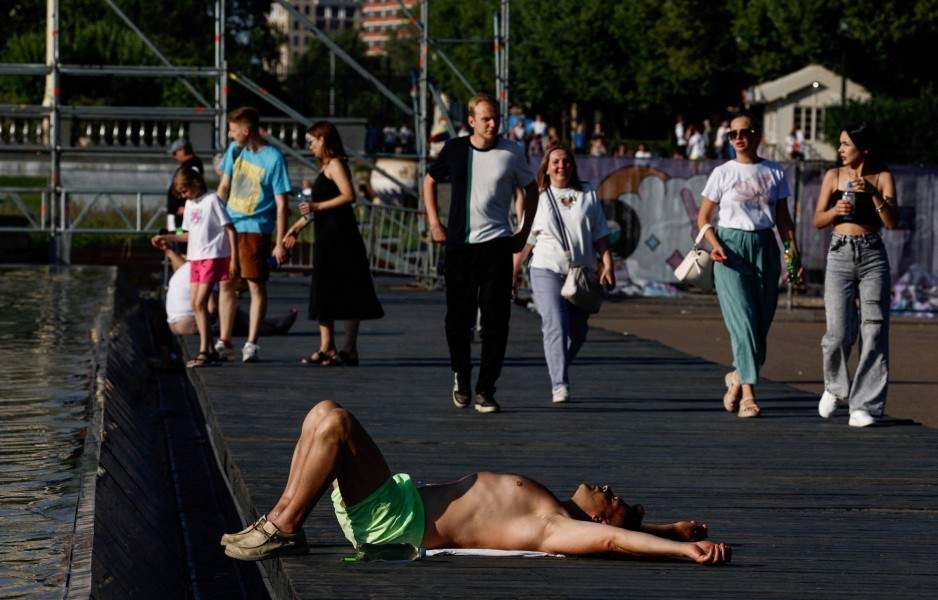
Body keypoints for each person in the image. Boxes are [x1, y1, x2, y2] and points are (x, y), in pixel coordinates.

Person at [220, 400, 732, 565]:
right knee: (321, 413)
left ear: (596, 517)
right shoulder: (551, 507)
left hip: (395, 522)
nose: (604, 485)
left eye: (611, 497)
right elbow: (623, 527)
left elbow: (617, 538)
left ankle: (282, 526)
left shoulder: (551, 526)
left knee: (336, 424)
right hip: (397, 503)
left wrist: (682, 553)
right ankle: (281, 520)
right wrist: (671, 530)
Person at [423, 93, 539, 413]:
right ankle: (461, 374)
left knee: (496, 321)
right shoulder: (455, 149)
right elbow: (429, 181)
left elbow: (532, 189)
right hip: (460, 246)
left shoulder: (512, 152)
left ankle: (486, 390)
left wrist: (523, 232)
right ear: (471, 121)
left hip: (498, 246)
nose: (492, 123)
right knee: (457, 321)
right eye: (486, 118)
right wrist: (435, 223)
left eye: (496, 118)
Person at [696, 112, 801, 418]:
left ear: (757, 135)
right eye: (733, 134)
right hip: (729, 249)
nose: (738, 138)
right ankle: (749, 395)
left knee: (760, 325)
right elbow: (703, 218)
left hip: (765, 247)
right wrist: (715, 246)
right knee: (742, 322)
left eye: (744, 132)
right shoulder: (722, 172)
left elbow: (783, 219)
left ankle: (736, 378)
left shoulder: (775, 172)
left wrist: (793, 255)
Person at [512, 147, 615, 403]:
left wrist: (607, 263)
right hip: (546, 268)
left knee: (578, 332)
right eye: (555, 162)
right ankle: (559, 383)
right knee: (555, 323)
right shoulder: (538, 197)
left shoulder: (587, 193)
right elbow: (526, 241)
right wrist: (512, 272)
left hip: (581, 272)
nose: (561, 166)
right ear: (546, 167)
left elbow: (600, 232)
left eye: (566, 161)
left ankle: (558, 362)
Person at [812, 122, 897, 427]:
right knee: (836, 332)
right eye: (840, 144)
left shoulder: (883, 177)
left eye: (846, 144)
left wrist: (874, 194)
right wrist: (835, 211)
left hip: (873, 254)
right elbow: (818, 220)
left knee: (873, 330)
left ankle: (865, 406)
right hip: (840, 253)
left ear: (864, 148)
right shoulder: (833, 176)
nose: (841, 150)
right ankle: (835, 387)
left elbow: (891, 221)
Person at [283, 121, 384, 367]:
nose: (310, 147)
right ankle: (326, 346)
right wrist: (296, 227)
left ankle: (349, 349)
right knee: (323, 289)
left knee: (349, 290)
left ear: (323, 139)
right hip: (327, 237)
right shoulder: (324, 167)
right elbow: (316, 210)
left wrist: (316, 206)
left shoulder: (336, 164)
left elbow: (348, 195)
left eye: (312, 142)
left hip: (342, 237)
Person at [216, 106, 292, 363]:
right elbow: (223, 186)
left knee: (255, 283)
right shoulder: (235, 151)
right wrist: (213, 216)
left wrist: (280, 242)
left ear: (246, 130)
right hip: (231, 225)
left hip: (256, 227)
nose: (231, 136)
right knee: (227, 282)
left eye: (233, 131)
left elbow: (282, 204)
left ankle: (251, 343)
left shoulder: (273, 158)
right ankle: (225, 340)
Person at [152, 168, 237, 368]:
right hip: (195, 258)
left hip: (212, 256)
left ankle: (204, 351)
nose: (184, 196)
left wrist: (233, 258)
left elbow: (230, 228)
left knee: (200, 303)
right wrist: (169, 237)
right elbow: (188, 232)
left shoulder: (212, 200)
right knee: (196, 303)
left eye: (185, 191)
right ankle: (210, 349)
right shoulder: (190, 204)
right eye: (181, 193)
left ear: (196, 182)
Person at [153, 242, 297, 339]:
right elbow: (212, 307)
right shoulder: (212, 269)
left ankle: (271, 322)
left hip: (174, 323)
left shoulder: (194, 264)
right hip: (189, 324)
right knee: (231, 315)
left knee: (230, 308)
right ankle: (274, 328)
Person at [166, 137, 205, 226]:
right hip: (178, 215)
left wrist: (188, 208)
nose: (174, 156)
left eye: (175, 153)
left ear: (182, 151)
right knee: (175, 236)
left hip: (183, 216)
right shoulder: (187, 166)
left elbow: (196, 189)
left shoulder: (193, 167)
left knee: (180, 236)